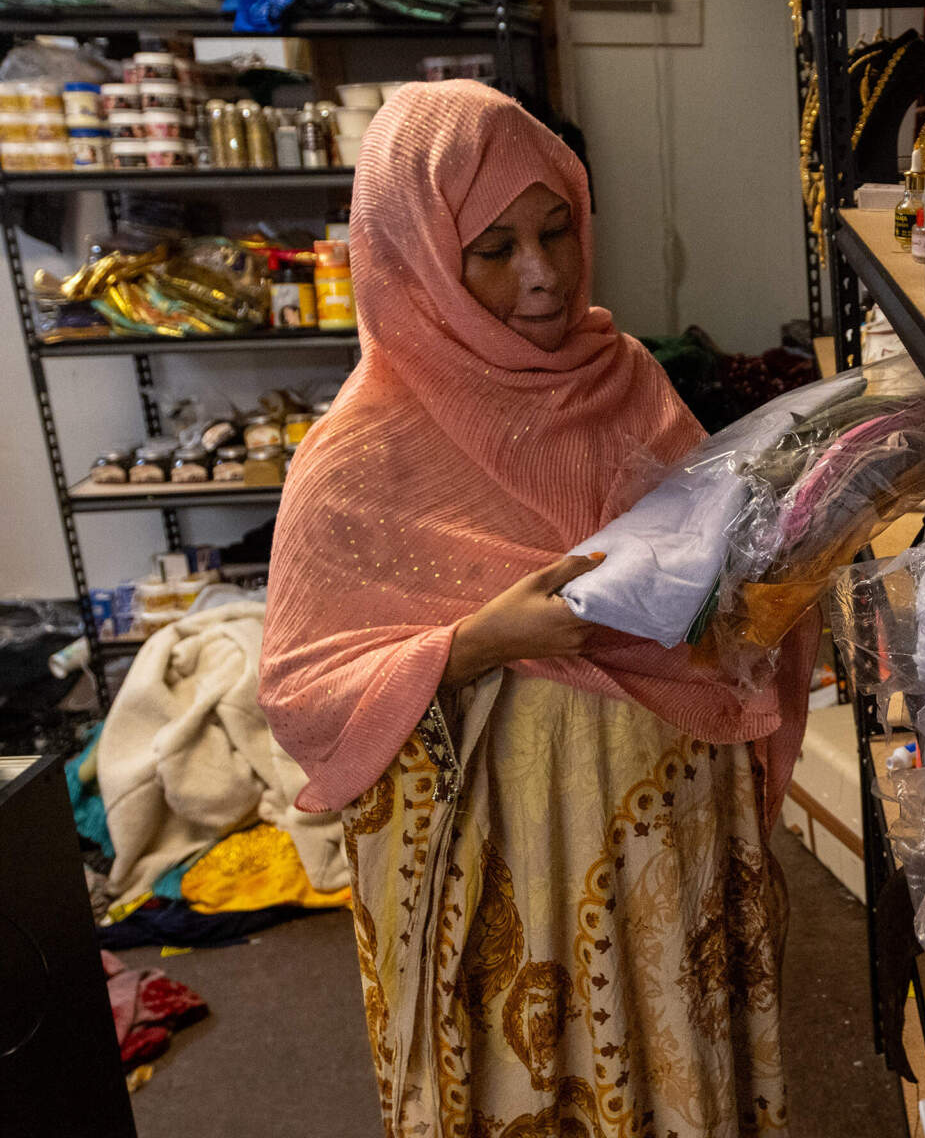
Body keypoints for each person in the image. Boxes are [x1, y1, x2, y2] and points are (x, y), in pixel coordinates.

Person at [259, 81, 814, 1137]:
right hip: (520, 882)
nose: (544, 275)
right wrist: (476, 641)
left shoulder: (625, 377)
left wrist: (785, 544)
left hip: (668, 858)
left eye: (557, 229)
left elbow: (722, 570)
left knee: (679, 1079)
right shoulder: (357, 459)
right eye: (494, 248)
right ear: (416, 256)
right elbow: (304, 692)